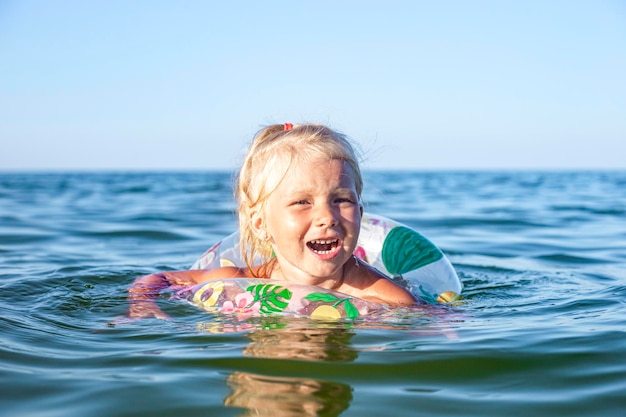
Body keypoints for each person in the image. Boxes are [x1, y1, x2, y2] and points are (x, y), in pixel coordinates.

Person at [128, 123, 417, 319]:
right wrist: (143, 304)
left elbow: (432, 323)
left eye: (341, 199)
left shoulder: (385, 298)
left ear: (361, 214)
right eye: (302, 202)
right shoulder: (243, 279)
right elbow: (159, 280)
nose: (327, 217)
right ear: (260, 224)